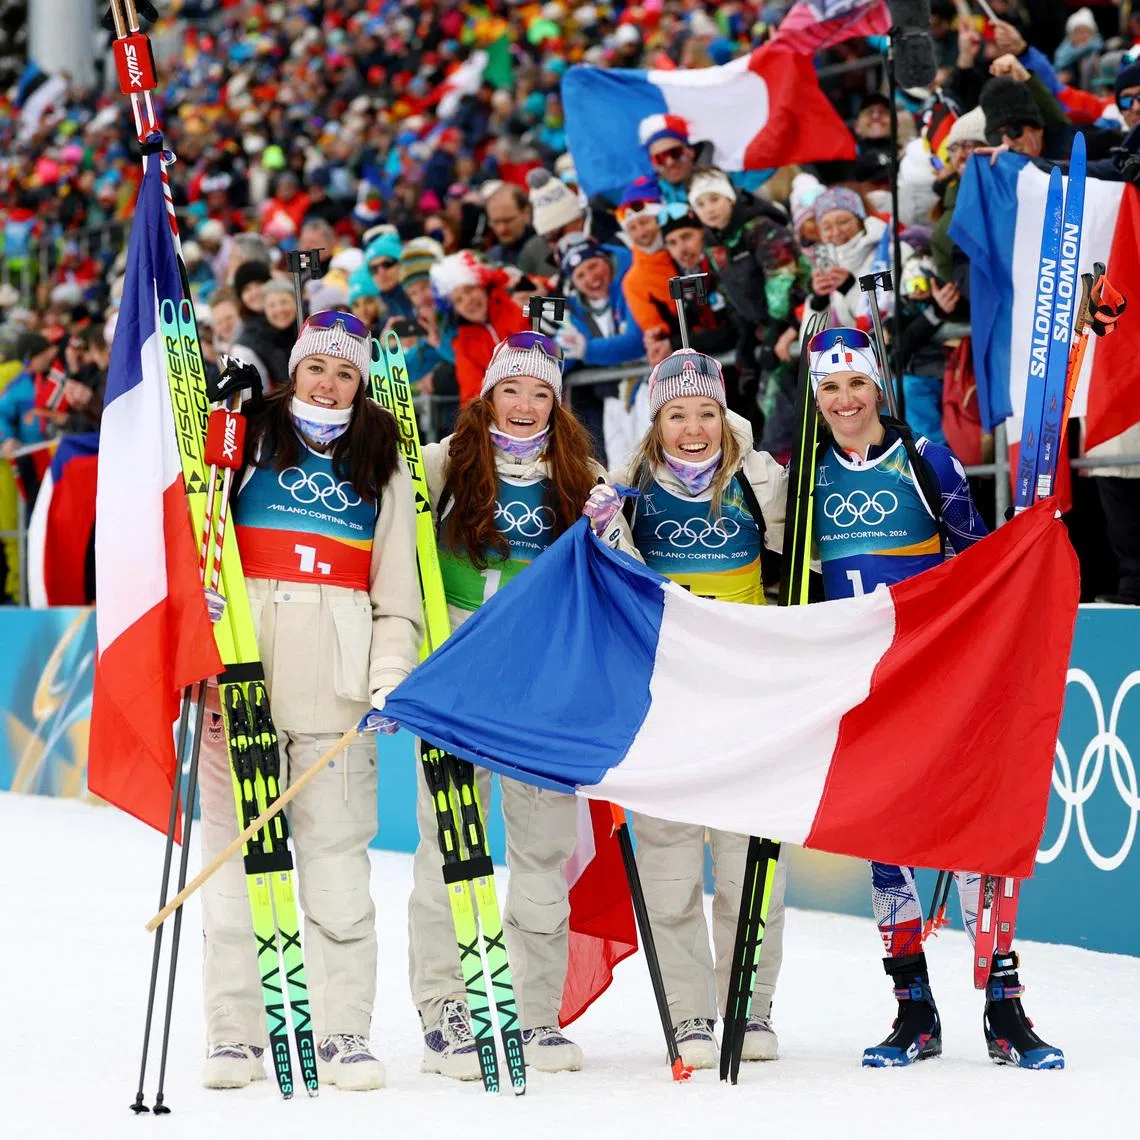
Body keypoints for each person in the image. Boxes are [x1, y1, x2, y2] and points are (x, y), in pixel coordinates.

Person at [806, 326, 1064, 1071]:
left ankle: (1004, 1010)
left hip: (936, 679)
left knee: (976, 836)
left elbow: (978, 560)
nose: (846, 399)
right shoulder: (807, 478)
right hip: (861, 688)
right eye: (831, 387)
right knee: (886, 850)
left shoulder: (927, 460)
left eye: (857, 384)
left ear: (878, 387)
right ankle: (912, 1010)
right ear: (816, 396)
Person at [196, 311, 422, 1093]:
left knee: (334, 870)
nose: (329, 385)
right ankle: (236, 1033)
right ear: (295, 371)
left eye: (346, 374)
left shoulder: (382, 461)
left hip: (336, 693)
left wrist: (390, 669)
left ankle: (342, 1033)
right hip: (240, 688)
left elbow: (398, 590)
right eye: (317, 369)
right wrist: (202, 629)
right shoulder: (245, 438)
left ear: (361, 386)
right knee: (235, 872)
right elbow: (194, 531)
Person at [408, 330, 630, 1080]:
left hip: (544, 679)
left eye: (541, 392)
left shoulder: (581, 471)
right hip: (462, 675)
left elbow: (623, 575)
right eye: (513, 389)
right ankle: (446, 1012)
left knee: (541, 853)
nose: (527, 406)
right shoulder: (444, 463)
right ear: (488, 396)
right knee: (450, 850)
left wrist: (610, 530)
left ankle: (533, 1012)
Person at [606, 347, 788, 1069]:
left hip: (744, 698)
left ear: (725, 416)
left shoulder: (756, 478)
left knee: (750, 869)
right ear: (656, 421)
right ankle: (689, 1015)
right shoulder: (627, 486)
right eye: (677, 413)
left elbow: (805, 547)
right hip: (664, 703)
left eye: (706, 412)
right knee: (671, 869)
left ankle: (749, 1004)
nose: (692, 428)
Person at [429, 251, 530, 406]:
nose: (468, 301)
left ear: (482, 285)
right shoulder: (464, 345)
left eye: (469, 290)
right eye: (459, 300)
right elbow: (471, 399)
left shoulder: (512, 304)